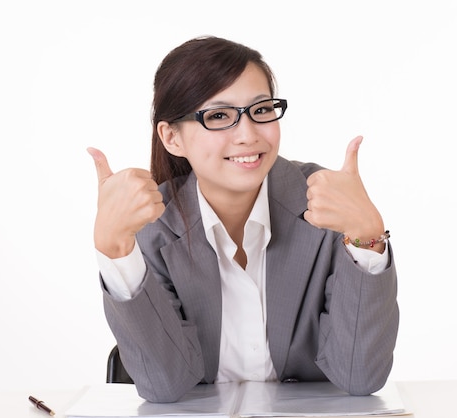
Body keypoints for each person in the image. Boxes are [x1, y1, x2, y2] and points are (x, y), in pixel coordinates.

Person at [87, 36, 399, 403]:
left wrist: (367, 238)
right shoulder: (151, 226)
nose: (248, 135)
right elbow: (165, 385)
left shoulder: (326, 208)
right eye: (218, 116)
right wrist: (114, 249)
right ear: (172, 137)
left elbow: (360, 376)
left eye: (261, 110)